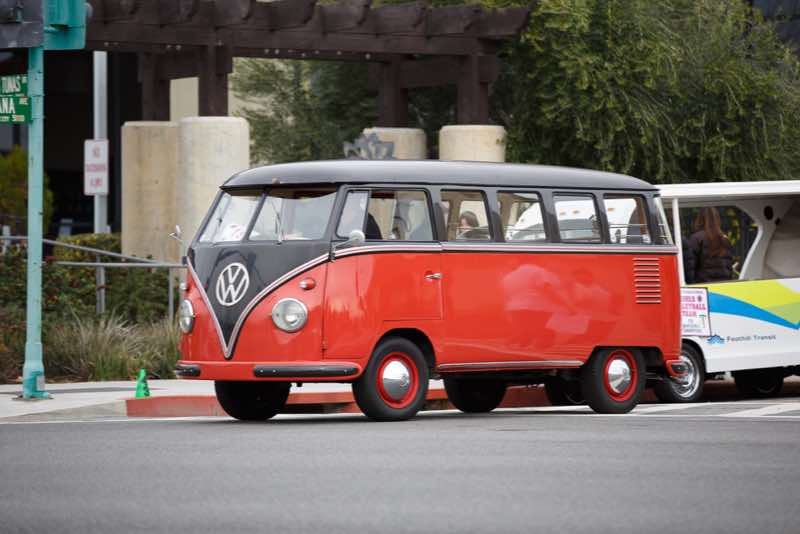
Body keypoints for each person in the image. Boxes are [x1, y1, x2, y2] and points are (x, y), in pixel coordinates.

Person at [684, 207, 734, 284]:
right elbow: (729, 266)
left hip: (703, 284)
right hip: (724, 284)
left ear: (699, 220)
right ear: (717, 220)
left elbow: (690, 266)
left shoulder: (696, 238)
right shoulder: (725, 238)